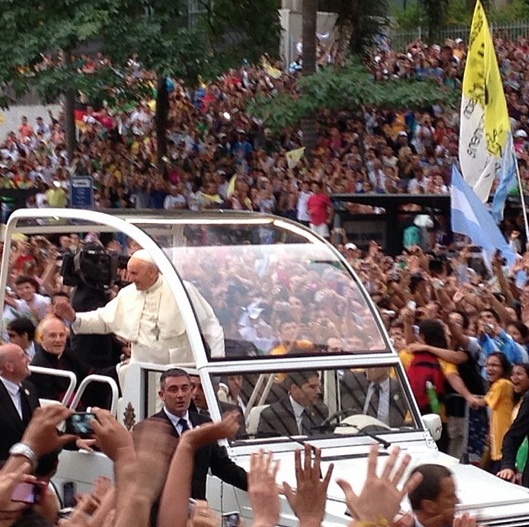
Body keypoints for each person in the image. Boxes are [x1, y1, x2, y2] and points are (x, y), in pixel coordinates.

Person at [54, 249, 224, 366]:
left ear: (152, 272)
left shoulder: (182, 289)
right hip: (142, 371)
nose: (130, 278)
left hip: (178, 370)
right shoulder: (128, 294)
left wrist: (217, 365)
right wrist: (74, 317)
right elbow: (103, 319)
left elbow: (210, 325)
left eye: (135, 273)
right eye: (130, 272)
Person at [142, 368, 247, 500]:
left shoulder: (204, 423)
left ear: (190, 391)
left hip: (198, 508)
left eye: (185, 388)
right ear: (162, 395)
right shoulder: (148, 429)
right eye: (173, 390)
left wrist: (256, 483)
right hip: (164, 509)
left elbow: (222, 466)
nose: (180, 395)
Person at [30, 317, 118, 407]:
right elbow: (52, 405)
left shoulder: (67, 355)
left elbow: (91, 374)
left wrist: (119, 369)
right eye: (52, 336)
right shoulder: (38, 367)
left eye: (62, 335)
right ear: (42, 338)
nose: (58, 340)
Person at [256, 370, 328, 437]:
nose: (319, 391)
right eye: (312, 387)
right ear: (294, 388)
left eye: (318, 386)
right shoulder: (271, 416)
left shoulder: (321, 410)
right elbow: (263, 445)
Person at [474, 352, 514, 474]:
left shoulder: (502, 384)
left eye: (494, 365)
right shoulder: (503, 384)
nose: (489, 368)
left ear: (504, 367)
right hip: (499, 437)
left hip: (503, 438)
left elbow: (483, 402)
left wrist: (468, 396)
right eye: (487, 365)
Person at [0, 343, 39, 462]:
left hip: (30, 462)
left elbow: (38, 424)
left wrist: (74, 441)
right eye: (23, 356)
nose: (28, 359)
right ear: (9, 367)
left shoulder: (29, 388)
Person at [339, 366, 407, 428]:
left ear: (387, 367)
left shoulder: (400, 389)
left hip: (388, 435)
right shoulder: (352, 380)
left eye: (373, 365)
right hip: (355, 434)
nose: (368, 368)